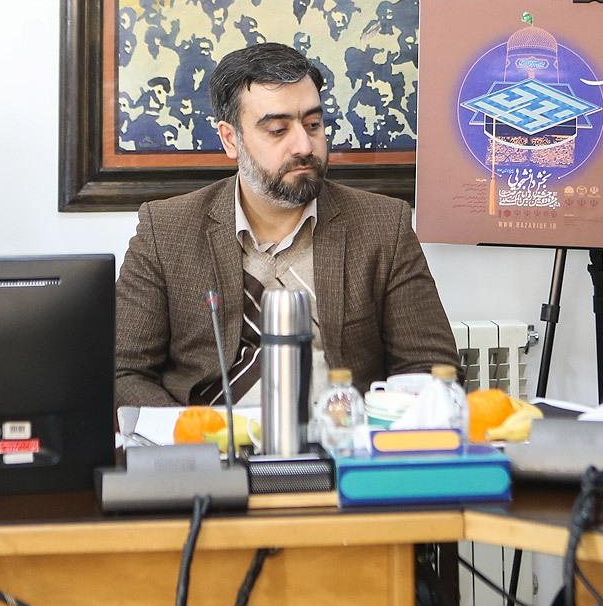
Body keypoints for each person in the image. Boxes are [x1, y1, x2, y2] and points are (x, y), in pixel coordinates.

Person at [114, 42, 458, 406]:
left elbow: (432, 369)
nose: (304, 146)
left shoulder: (383, 226)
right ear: (231, 139)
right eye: (278, 130)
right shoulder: (166, 230)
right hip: (210, 436)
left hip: (337, 435)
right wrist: (189, 431)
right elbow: (123, 372)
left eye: (313, 125)